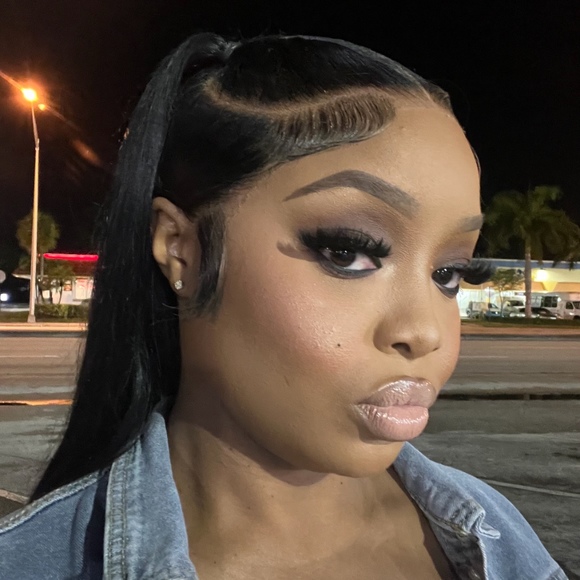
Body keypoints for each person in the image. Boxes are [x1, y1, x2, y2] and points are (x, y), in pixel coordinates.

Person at [0, 33, 567, 580]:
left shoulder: (496, 535)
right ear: (181, 250)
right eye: (347, 252)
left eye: (449, 273)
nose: (424, 332)